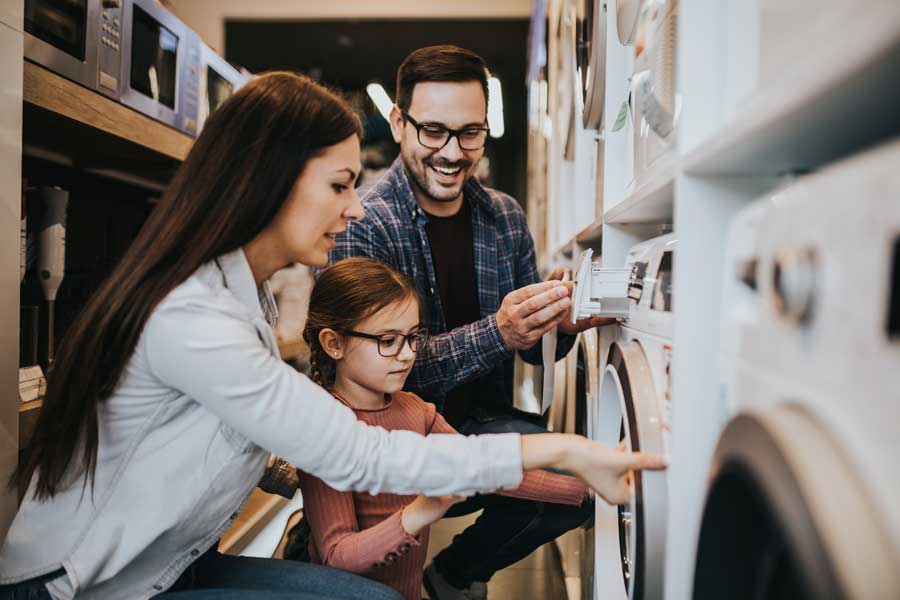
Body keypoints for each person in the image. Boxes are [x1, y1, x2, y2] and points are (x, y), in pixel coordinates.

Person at [0, 72, 663, 600]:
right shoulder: (195, 317)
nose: (353, 207)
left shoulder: (244, 291)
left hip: (173, 562)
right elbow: (363, 453)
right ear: (270, 180)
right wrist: (572, 451)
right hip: (81, 586)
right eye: (340, 185)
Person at [327, 46, 612, 598]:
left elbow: (529, 353)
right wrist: (499, 330)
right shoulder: (364, 224)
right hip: (392, 440)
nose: (453, 153)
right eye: (433, 131)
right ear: (398, 123)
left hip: (478, 423)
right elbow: (375, 376)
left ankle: (453, 576)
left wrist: (558, 322)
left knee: (580, 485)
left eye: (470, 134)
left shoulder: (503, 215)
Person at [296, 257, 616, 600]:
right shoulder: (322, 428)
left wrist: (586, 490)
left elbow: (491, 469)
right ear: (334, 344)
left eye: (413, 337)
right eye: (388, 341)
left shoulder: (416, 410)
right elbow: (338, 557)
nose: (406, 355)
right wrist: (418, 514)